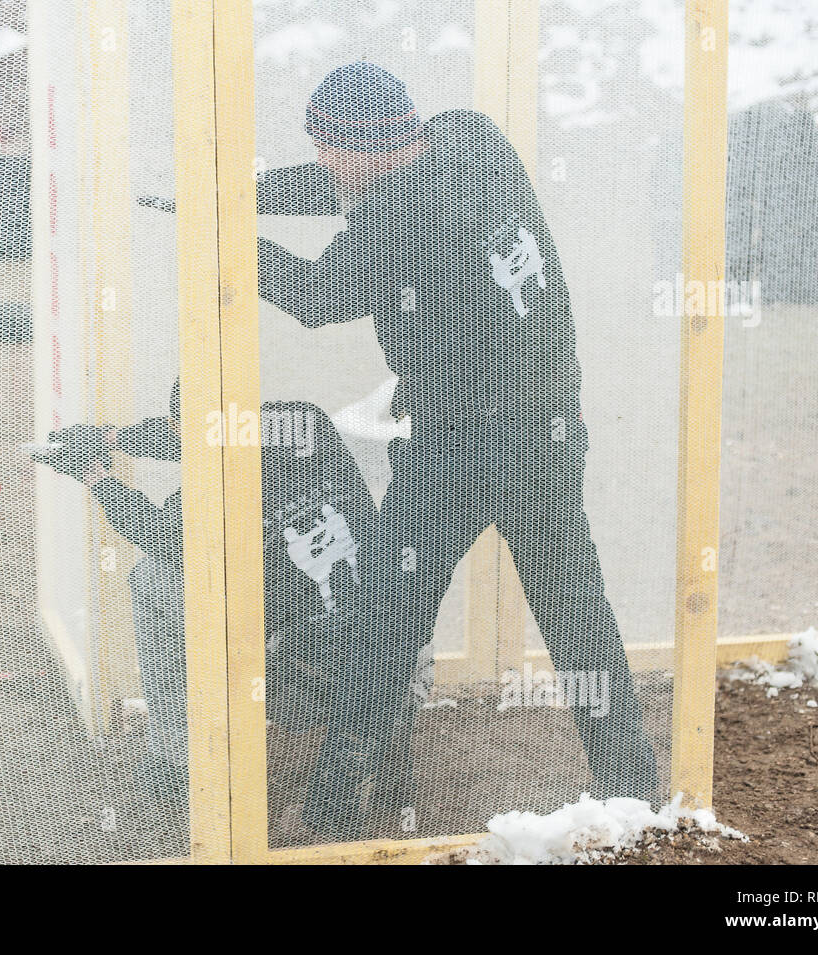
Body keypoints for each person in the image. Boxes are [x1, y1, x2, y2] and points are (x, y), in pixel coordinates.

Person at [246, 61, 659, 834]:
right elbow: (346, 187)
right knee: (578, 617)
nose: (326, 164)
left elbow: (314, 295)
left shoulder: (393, 215)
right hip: (549, 427)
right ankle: (634, 786)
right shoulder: (471, 134)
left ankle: (336, 805)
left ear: (361, 148)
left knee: (385, 618)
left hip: (462, 449)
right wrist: (246, 196)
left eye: (329, 149)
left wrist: (227, 232)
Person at [34, 380, 382, 818]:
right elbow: (208, 432)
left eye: (178, 428)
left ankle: (178, 763)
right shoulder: (304, 421)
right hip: (389, 645)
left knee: (153, 580)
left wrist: (96, 476)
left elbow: (164, 539)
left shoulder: (217, 489)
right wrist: (113, 437)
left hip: (302, 675)